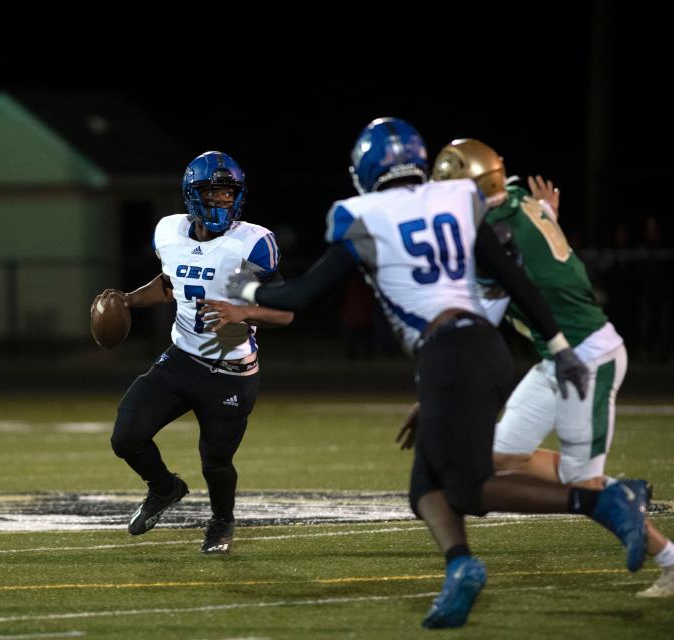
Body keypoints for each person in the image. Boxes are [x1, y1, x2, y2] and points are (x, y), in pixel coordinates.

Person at [226, 118, 650, 628]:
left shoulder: (363, 216)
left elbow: (299, 295)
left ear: (365, 169)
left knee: (469, 488)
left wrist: (246, 290)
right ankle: (461, 567)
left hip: (452, 355)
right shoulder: (455, 202)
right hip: (477, 350)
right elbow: (515, 280)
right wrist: (559, 348)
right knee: (424, 489)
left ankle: (601, 499)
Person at [403, 138, 672, 598]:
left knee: (583, 485)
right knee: (498, 452)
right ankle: (619, 488)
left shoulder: (496, 227)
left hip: (587, 355)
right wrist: (546, 216)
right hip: (557, 357)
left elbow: (485, 306)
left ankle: (667, 556)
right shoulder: (518, 204)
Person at [95, 151, 294, 555]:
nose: (222, 201)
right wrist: (128, 300)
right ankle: (164, 488)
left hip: (232, 368)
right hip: (182, 358)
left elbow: (286, 311)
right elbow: (170, 281)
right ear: (191, 195)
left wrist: (243, 311)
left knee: (215, 462)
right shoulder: (170, 232)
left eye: (228, 193)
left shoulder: (253, 243)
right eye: (213, 192)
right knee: (126, 436)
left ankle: (222, 522)